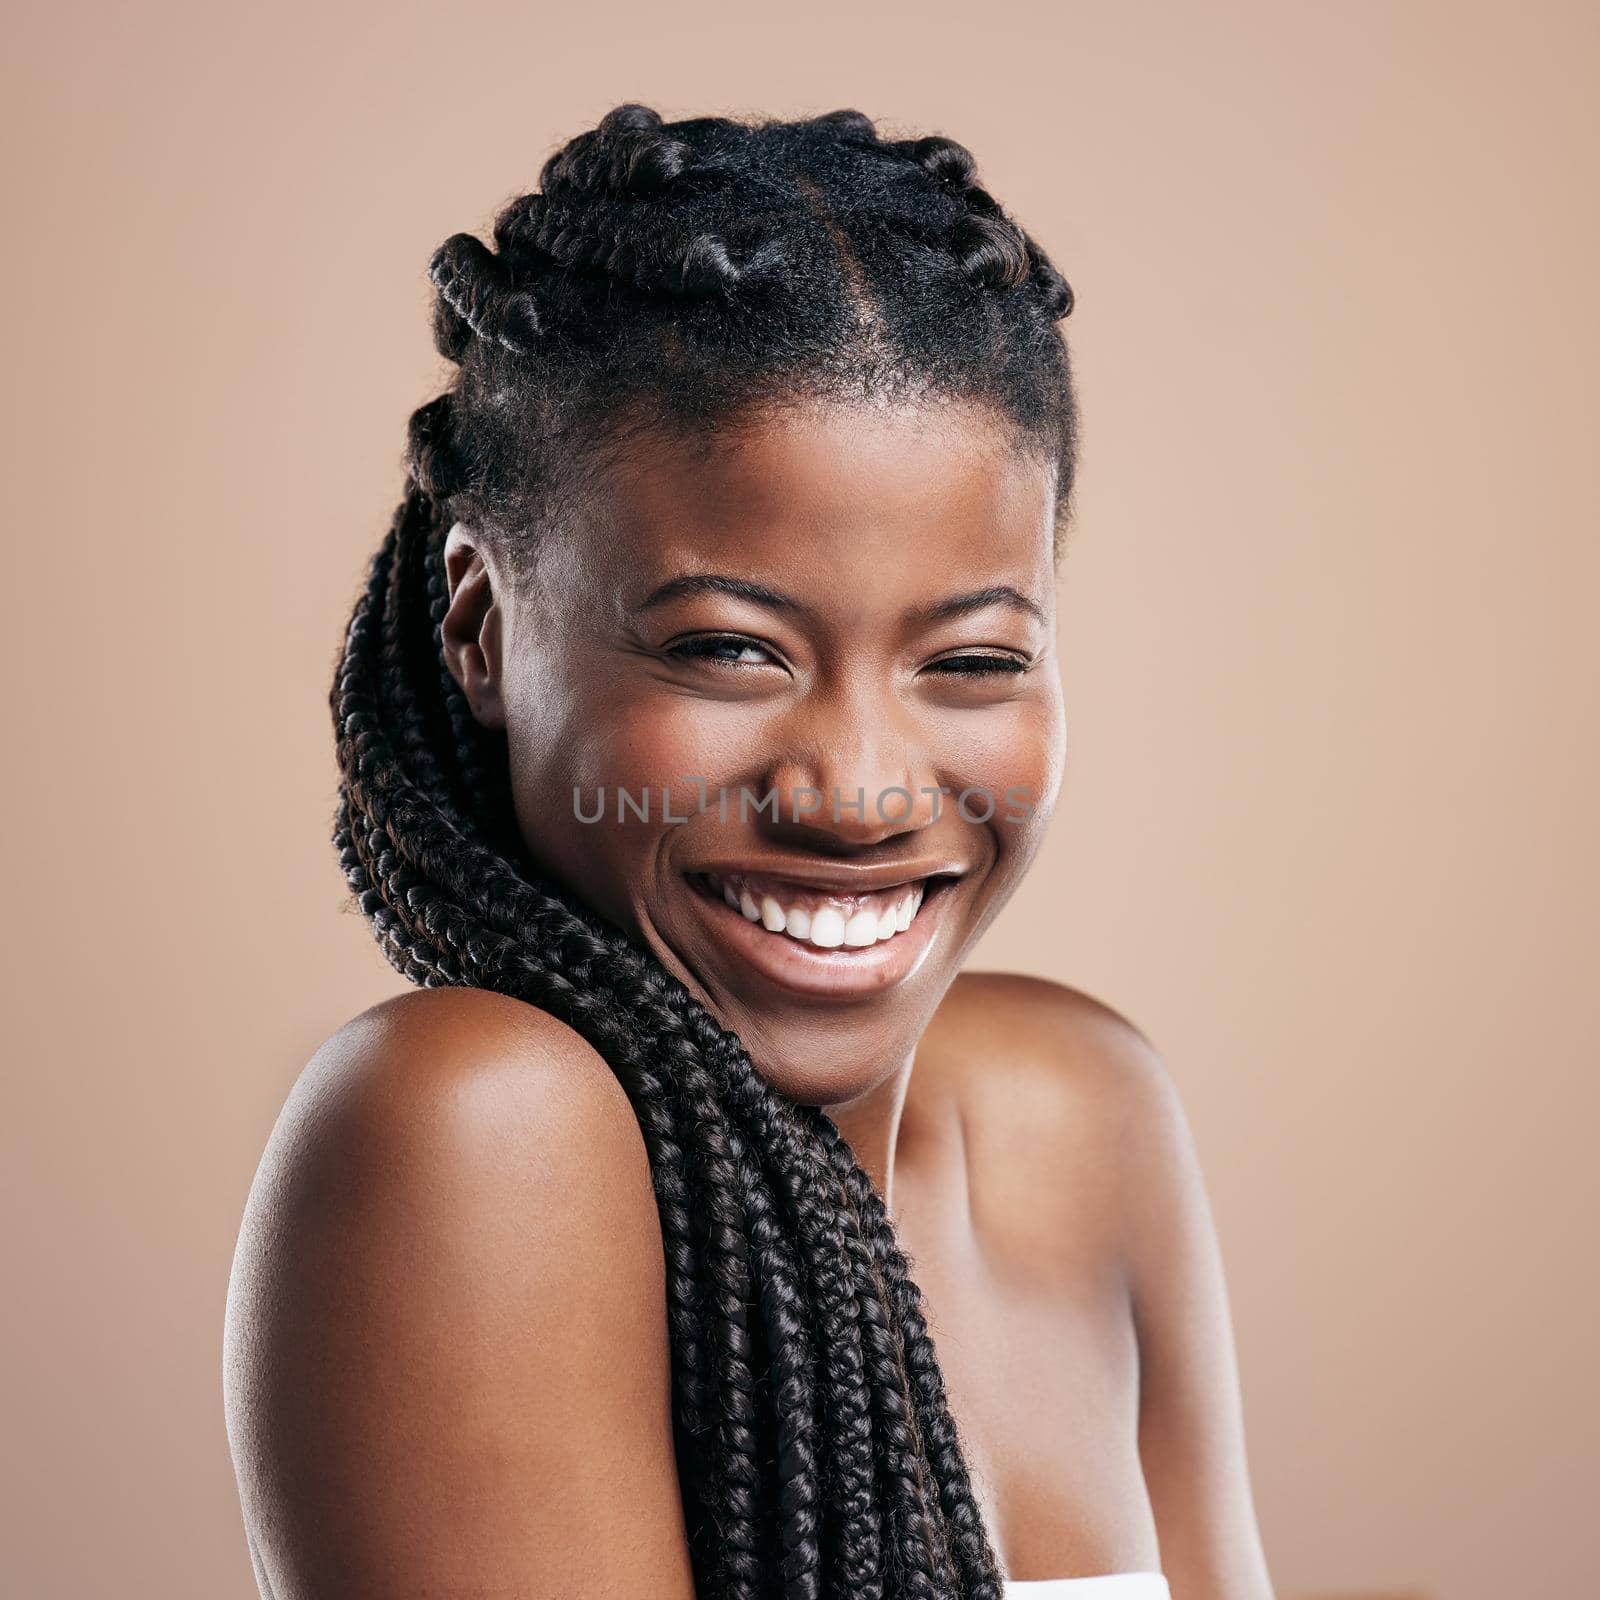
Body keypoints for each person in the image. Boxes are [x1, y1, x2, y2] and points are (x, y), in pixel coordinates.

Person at [223, 103, 1276, 1600]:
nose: (856, 792)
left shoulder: (1085, 1116)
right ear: (476, 623)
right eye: (729, 649)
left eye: (972, 661)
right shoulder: (473, 1136)